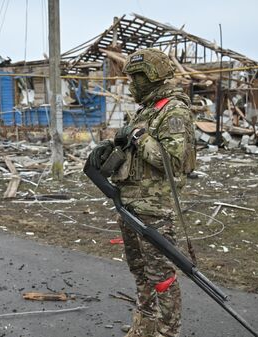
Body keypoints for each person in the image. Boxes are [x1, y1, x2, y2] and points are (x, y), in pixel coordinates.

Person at [89, 48, 196, 337]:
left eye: (136, 78)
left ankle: (167, 331)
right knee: (140, 272)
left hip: (154, 209)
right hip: (130, 204)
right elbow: (135, 156)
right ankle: (145, 325)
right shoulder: (147, 110)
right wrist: (110, 152)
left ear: (152, 77)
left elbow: (172, 161)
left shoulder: (173, 110)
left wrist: (137, 136)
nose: (132, 85)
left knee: (161, 277)